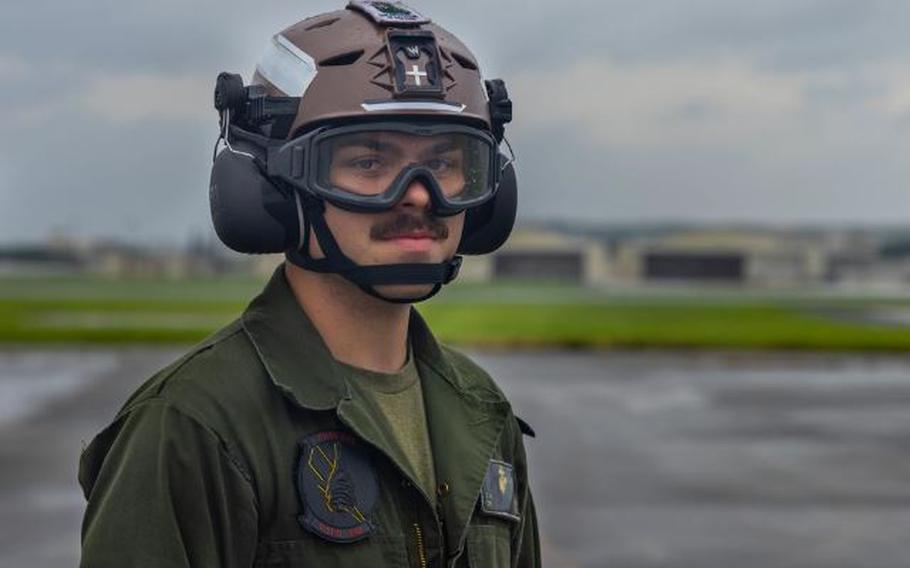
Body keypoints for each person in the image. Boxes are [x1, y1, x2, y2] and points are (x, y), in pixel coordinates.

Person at [78, 1, 539, 566]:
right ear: (275, 190)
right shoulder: (194, 427)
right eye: (370, 162)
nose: (419, 194)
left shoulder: (482, 414)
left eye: (445, 163)